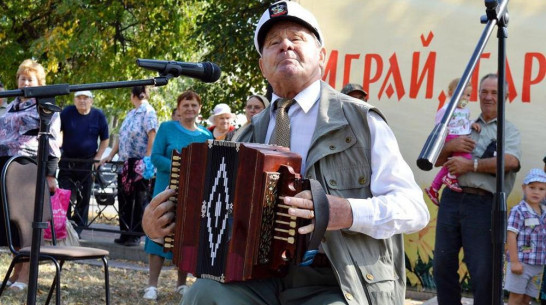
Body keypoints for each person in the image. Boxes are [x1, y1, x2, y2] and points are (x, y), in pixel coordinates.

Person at [142, 2, 429, 304]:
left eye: (297, 38)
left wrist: (345, 212)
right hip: (259, 277)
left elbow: (414, 210)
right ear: (262, 66)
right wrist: (159, 229)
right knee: (203, 293)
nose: (286, 46)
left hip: (339, 279)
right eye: (274, 43)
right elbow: (211, 219)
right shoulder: (247, 135)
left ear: (322, 57)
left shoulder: (361, 121)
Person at [432, 73, 521, 305]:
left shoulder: (508, 130)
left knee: (483, 270)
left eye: (495, 93)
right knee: (442, 264)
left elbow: (511, 162)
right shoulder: (461, 119)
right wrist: (450, 145)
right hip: (452, 198)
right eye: (484, 92)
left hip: (483, 205)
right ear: (477, 95)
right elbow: (434, 159)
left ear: (506, 97)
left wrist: (470, 165)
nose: (488, 97)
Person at [143, 90, 213, 300]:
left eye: (194, 105)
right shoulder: (166, 128)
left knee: (185, 236)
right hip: (165, 190)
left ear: (199, 109)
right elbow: (155, 157)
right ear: (179, 108)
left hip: (192, 194)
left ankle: (181, 284)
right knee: (159, 235)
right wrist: (181, 165)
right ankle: (152, 285)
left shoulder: (206, 136)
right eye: (186, 105)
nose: (190, 108)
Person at [0, 59, 61, 291]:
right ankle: (16, 274)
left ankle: (26, 276)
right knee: (12, 225)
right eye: (22, 78)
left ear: (39, 83)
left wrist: (50, 173)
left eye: (29, 79)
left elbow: (53, 141)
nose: (24, 82)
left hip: (29, 168)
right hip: (6, 168)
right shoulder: (11, 105)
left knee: (27, 225)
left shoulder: (45, 105)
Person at [102, 86, 158, 247]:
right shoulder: (131, 113)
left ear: (133, 95)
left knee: (138, 200)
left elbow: (152, 135)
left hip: (139, 163)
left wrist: (147, 160)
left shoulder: (148, 112)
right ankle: (124, 232)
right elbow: (122, 136)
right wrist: (111, 155)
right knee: (124, 198)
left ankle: (134, 234)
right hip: (125, 164)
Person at [58, 90, 109, 234]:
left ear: (91, 101)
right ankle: (63, 226)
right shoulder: (67, 112)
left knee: (84, 197)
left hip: (87, 163)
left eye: (85, 98)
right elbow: (56, 131)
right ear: (74, 101)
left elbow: (105, 139)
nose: (82, 101)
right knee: (64, 194)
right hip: (67, 160)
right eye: (79, 98)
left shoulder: (98, 116)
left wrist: (97, 158)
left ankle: (78, 229)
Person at [424, 78, 476, 206]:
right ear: (451, 94)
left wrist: (472, 124)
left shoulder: (466, 111)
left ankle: (434, 188)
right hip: (451, 136)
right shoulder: (447, 109)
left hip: (460, 135)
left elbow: (463, 123)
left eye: (468, 95)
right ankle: (451, 178)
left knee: (449, 164)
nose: (465, 98)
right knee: (466, 156)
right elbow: (439, 124)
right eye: (462, 94)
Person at [505, 169, 546, 305]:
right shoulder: (519, 210)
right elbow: (511, 235)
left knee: (527, 299)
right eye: (532, 187)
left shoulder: (545, 212)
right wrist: (515, 262)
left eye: (541, 189)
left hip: (538, 264)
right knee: (516, 297)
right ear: (524, 188)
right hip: (521, 263)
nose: (536, 192)